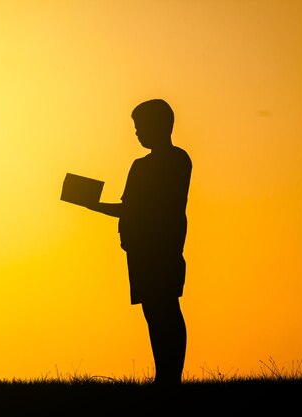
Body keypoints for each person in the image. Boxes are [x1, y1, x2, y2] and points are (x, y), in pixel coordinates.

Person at [88, 98, 192, 385]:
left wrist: (92, 205)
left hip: (163, 248)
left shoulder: (175, 160)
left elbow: (138, 208)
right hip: (141, 250)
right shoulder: (145, 165)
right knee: (154, 311)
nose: (137, 133)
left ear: (160, 125)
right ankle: (165, 377)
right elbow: (131, 207)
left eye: (141, 126)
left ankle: (170, 378)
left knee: (165, 309)